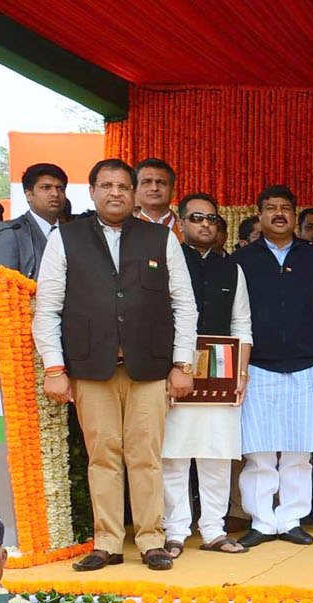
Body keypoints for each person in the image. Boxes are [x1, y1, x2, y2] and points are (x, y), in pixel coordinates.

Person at [34, 159, 197, 571]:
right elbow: (48, 308)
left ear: (135, 192)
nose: (115, 193)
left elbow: (184, 305)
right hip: (91, 369)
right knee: (103, 456)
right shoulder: (66, 238)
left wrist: (183, 364)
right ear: (91, 192)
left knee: (146, 455)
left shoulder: (161, 239)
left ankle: (150, 540)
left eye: (124, 186)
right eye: (106, 185)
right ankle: (106, 541)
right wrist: (54, 369)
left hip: (149, 368)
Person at [231, 184, 313, 549]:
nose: (279, 214)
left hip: (307, 367)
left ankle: (292, 519)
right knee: (259, 452)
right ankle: (262, 521)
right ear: (259, 215)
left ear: (295, 216)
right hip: (258, 368)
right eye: (271, 208)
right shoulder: (243, 261)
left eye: (286, 209)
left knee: (299, 452)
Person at [160, 193, 251, 556]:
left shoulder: (232, 268)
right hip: (174, 370)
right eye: (196, 218)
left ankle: (214, 529)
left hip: (221, 371)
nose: (205, 224)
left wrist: (241, 372)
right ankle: (176, 531)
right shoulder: (167, 263)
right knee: (174, 454)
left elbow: (242, 322)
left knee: (217, 452)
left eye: (212, 219)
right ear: (180, 224)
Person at [0, 163, 69, 279]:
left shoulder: (72, 232)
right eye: (46, 187)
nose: (55, 194)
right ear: (28, 194)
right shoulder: (11, 231)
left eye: (60, 188)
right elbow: (3, 284)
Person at [134, 157, 179, 237]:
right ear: (135, 191)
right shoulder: (122, 232)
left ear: (173, 192)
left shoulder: (188, 232)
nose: (154, 188)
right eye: (146, 182)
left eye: (161, 183)